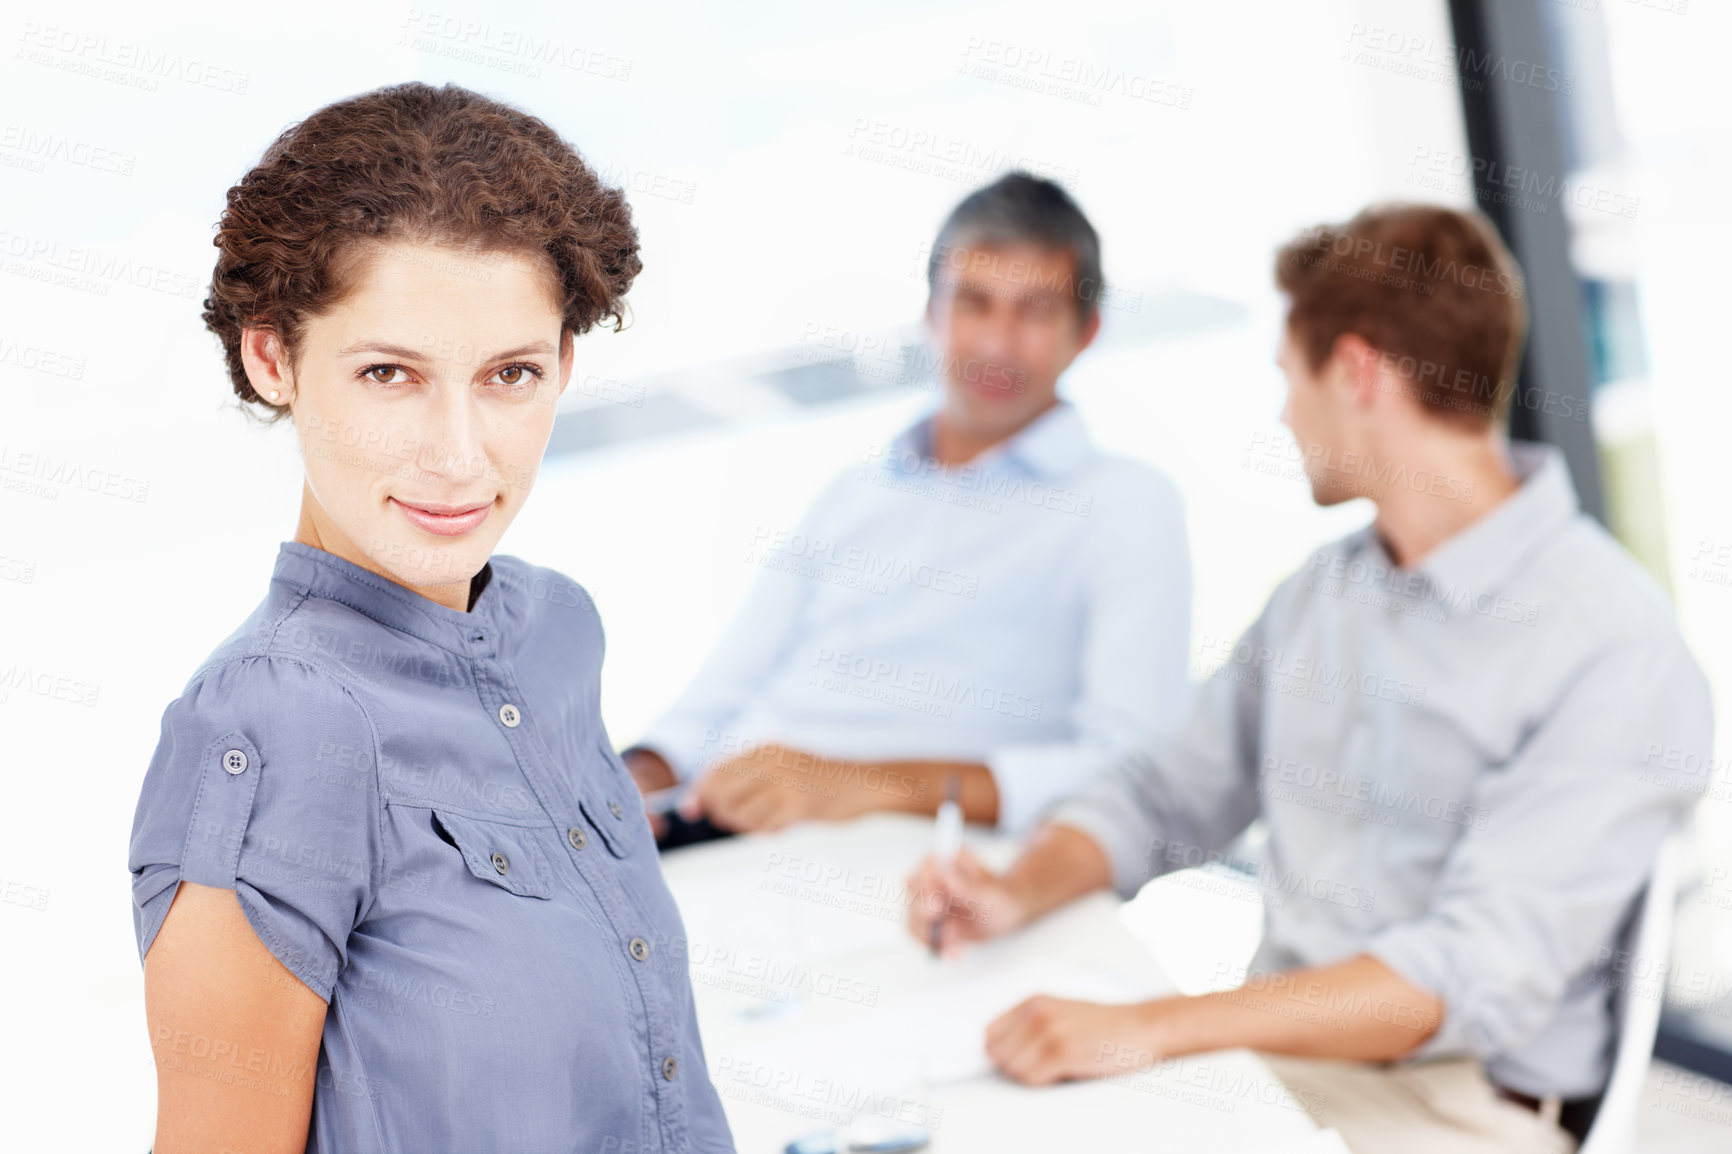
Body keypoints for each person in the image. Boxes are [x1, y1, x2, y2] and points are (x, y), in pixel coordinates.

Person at [904, 202, 1713, 1153]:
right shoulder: (1325, 594)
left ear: (1358, 371)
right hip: (1279, 1068)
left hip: (1450, 1108)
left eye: (1290, 377)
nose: (1284, 413)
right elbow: (1160, 793)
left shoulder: (1613, 645)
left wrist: (1150, 1029)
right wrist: (1015, 888)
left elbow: (1457, 975)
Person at [128, 82, 734, 1154]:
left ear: (564, 365)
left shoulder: (555, 632)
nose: (458, 455)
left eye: (510, 373)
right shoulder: (270, 724)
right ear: (272, 357)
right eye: (389, 374)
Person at [626, 173, 1192, 842]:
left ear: (1087, 331)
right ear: (931, 313)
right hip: (708, 828)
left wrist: (862, 783)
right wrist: (607, 796)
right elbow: (701, 713)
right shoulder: (854, 492)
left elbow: (1133, 769)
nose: (995, 344)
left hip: (904, 854)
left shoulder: (1124, 504)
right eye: (974, 303)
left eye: (1034, 311)